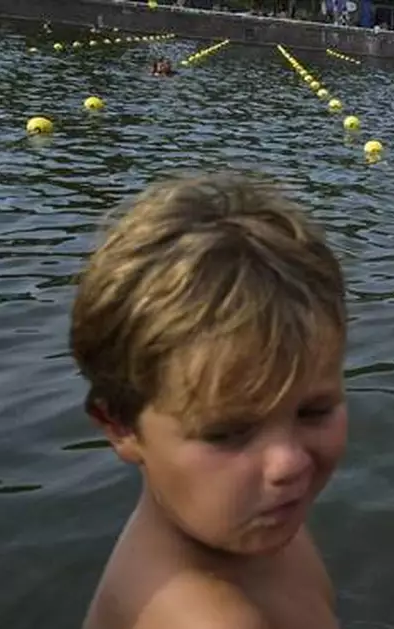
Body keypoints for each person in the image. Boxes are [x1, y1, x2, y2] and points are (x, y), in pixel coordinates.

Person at [72, 174, 348, 629]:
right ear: (119, 424)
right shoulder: (205, 618)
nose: (288, 463)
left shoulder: (249, 523)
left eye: (313, 411)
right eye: (228, 433)